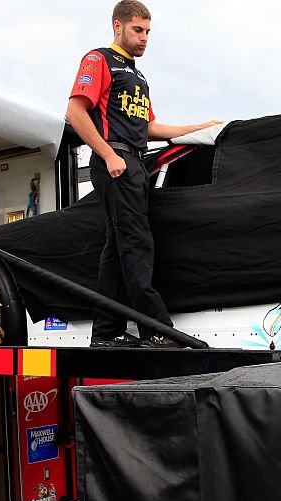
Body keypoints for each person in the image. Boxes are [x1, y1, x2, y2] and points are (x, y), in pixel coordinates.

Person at [66, 0, 222, 348]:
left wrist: (199, 128)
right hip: (117, 161)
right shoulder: (99, 59)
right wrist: (107, 154)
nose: (145, 38)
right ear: (118, 27)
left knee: (117, 249)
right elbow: (75, 111)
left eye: (148, 31)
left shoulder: (138, 76)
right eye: (138, 30)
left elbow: (150, 126)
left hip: (135, 162)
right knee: (137, 244)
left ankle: (106, 333)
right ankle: (157, 330)